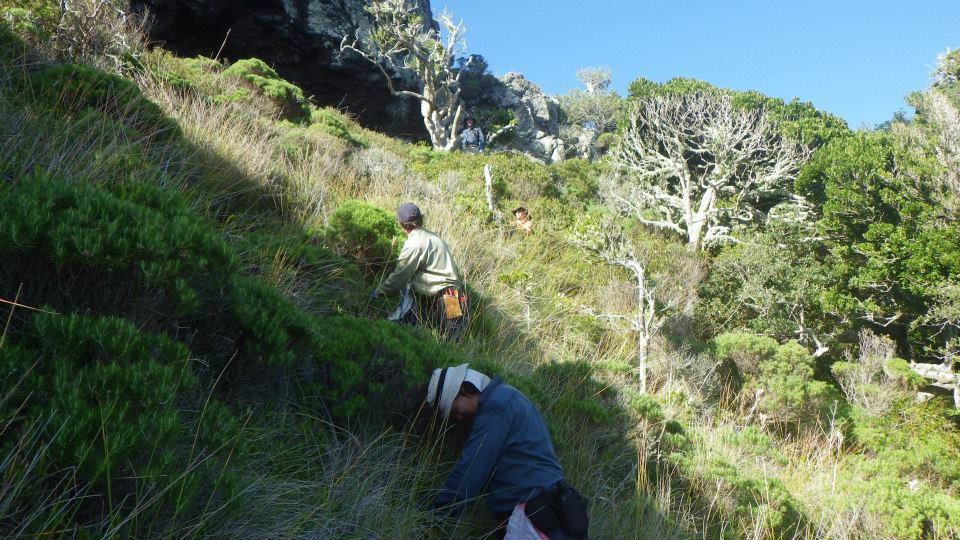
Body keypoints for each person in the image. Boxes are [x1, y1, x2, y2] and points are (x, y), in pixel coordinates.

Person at [427, 364, 589, 539]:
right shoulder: (507, 396)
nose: (457, 418)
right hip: (552, 512)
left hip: (533, 517)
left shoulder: (495, 409)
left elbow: (469, 473)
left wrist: (434, 519)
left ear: (466, 390)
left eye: (453, 410)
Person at [370, 203, 468, 342]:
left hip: (445, 297)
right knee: (451, 341)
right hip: (452, 295)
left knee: (449, 341)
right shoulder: (431, 236)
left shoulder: (414, 244)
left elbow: (400, 277)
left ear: (401, 224)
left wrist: (380, 291)